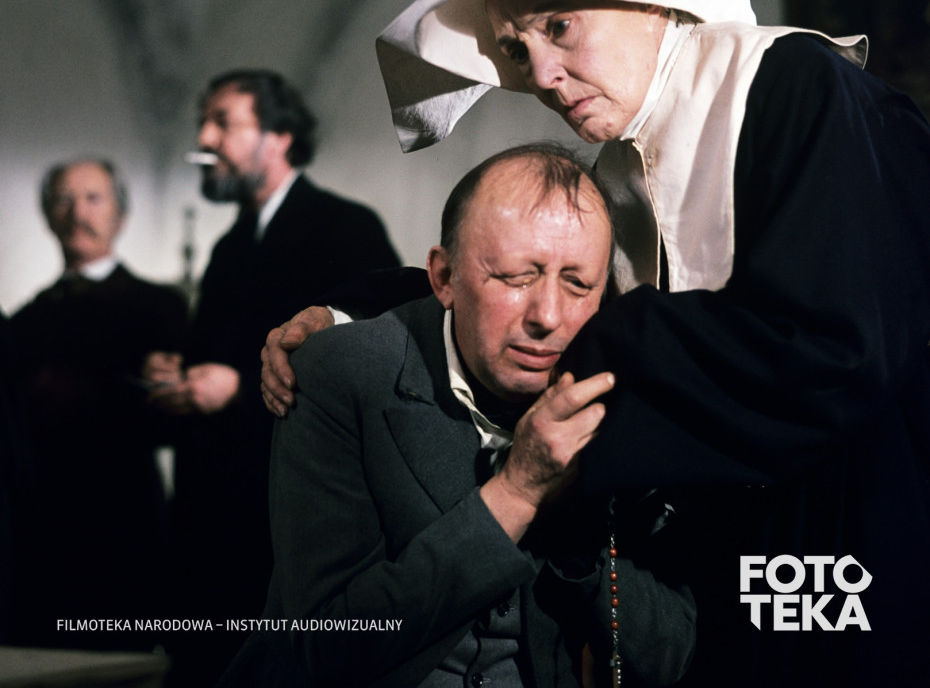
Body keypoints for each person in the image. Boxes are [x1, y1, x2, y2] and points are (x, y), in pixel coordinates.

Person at [262, 0, 930, 687]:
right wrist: (351, 312)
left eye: (559, 27)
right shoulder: (623, 158)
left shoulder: (794, 84)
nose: (542, 74)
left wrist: (615, 348)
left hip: (837, 530)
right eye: (516, 50)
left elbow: (836, 345)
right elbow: (539, 284)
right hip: (714, 552)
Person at [244, 144, 694, 688]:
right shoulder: (338, 374)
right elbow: (327, 646)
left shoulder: (619, 402)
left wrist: (583, 551)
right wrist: (517, 494)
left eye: (578, 284)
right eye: (516, 277)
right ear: (443, 277)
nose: (548, 317)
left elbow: (668, 657)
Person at [144, 68, 402, 687]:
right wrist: (181, 373)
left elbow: (377, 364)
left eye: (222, 123)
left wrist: (235, 387)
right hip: (216, 529)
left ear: (280, 135)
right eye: (203, 123)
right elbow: (216, 353)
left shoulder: (346, 228)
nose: (204, 138)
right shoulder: (229, 248)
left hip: (292, 528)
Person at [11, 159, 188, 650]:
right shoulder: (24, 322)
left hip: (124, 526)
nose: (78, 213)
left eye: (93, 198)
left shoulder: (160, 306)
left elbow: (174, 420)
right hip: (42, 531)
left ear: (120, 216)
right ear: (48, 215)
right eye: (64, 200)